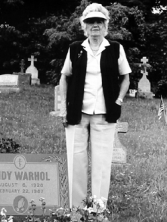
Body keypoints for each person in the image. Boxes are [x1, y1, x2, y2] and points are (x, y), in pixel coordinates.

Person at [59, 3, 131, 207]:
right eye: (91, 22)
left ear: (105, 24)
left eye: (99, 21)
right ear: (84, 26)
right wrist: (64, 108)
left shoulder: (115, 48)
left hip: (104, 114)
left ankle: (99, 211)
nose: (95, 25)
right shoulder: (75, 49)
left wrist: (119, 99)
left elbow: (125, 77)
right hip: (77, 113)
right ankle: (77, 210)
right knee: (76, 162)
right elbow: (64, 78)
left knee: (101, 163)